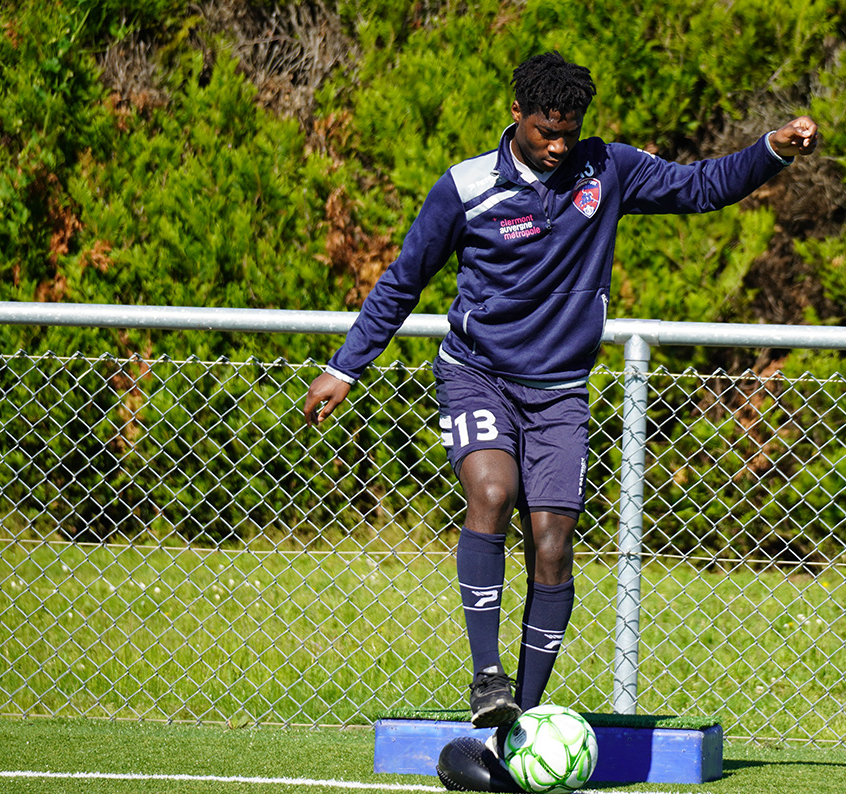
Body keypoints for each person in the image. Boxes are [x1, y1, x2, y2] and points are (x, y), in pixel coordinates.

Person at [303, 51, 817, 733]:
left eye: (569, 133)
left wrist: (770, 150)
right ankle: (488, 678)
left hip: (559, 393)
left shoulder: (608, 169)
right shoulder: (465, 187)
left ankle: (523, 715)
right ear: (517, 113)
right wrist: (346, 367)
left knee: (551, 544)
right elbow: (403, 280)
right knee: (492, 493)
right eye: (546, 131)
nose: (558, 146)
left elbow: (702, 187)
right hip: (478, 374)